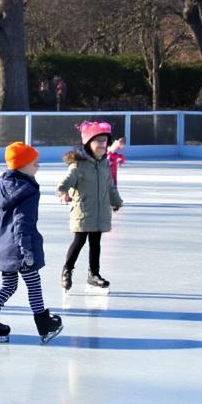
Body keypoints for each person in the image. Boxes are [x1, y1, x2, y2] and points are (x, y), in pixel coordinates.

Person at [0, 142, 63, 344]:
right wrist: (26, 250)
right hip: (21, 247)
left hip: (3, 247)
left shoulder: (0, 184)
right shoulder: (29, 190)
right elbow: (22, 221)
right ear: (22, 166)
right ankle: (44, 324)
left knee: (9, 286)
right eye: (34, 163)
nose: (38, 166)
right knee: (33, 284)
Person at [55, 121, 124, 294]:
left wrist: (116, 201)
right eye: (98, 141)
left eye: (104, 141)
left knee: (95, 243)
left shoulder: (105, 163)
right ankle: (67, 270)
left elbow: (110, 186)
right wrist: (63, 191)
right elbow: (66, 182)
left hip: (100, 212)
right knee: (79, 241)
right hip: (83, 210)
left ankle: (93, 274)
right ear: (88, 143)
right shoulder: (79, 164)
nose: (102, 144)